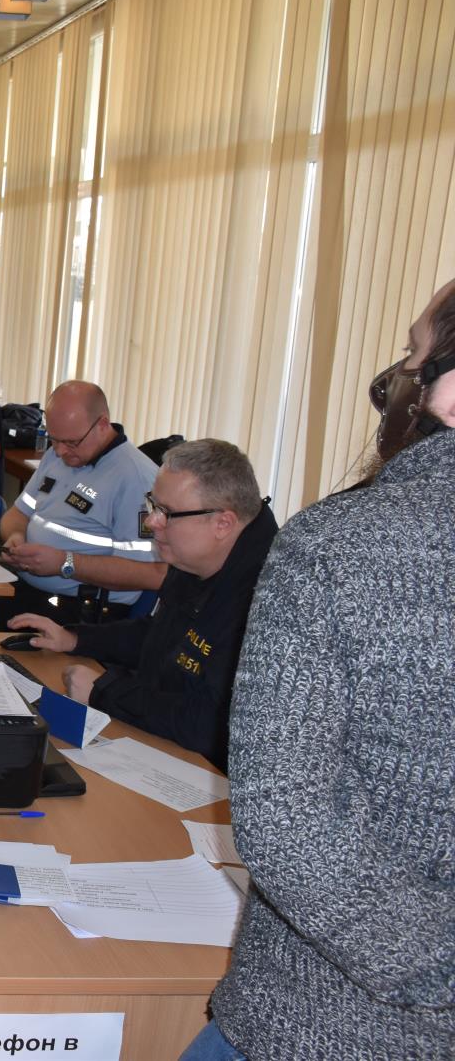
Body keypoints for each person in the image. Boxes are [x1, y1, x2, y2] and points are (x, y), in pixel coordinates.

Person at [188, 280, 455, 1061]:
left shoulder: (343, 546)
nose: (394, 380)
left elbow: (289, 822)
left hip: (321, 1027)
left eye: (414, 355)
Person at [8, 440, 277, 771]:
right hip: (159, 743)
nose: (151, 522)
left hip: (210, 775)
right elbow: (160, 636)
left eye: (167, 513)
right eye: (154, 505)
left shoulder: (266, 602)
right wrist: (75, 638)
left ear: (222, 523)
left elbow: (209, 725)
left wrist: (103, 691)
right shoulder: (193, 557)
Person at [0, 380, 164, 626]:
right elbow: (16, 515)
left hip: (80, 611)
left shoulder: (137, 479)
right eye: (54, 439)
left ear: (103, 424)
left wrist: (65, 563)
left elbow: (152, 574)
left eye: (71, 442)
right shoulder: (57, 455)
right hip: (27, 588)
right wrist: (16, 538)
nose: (60, 451)